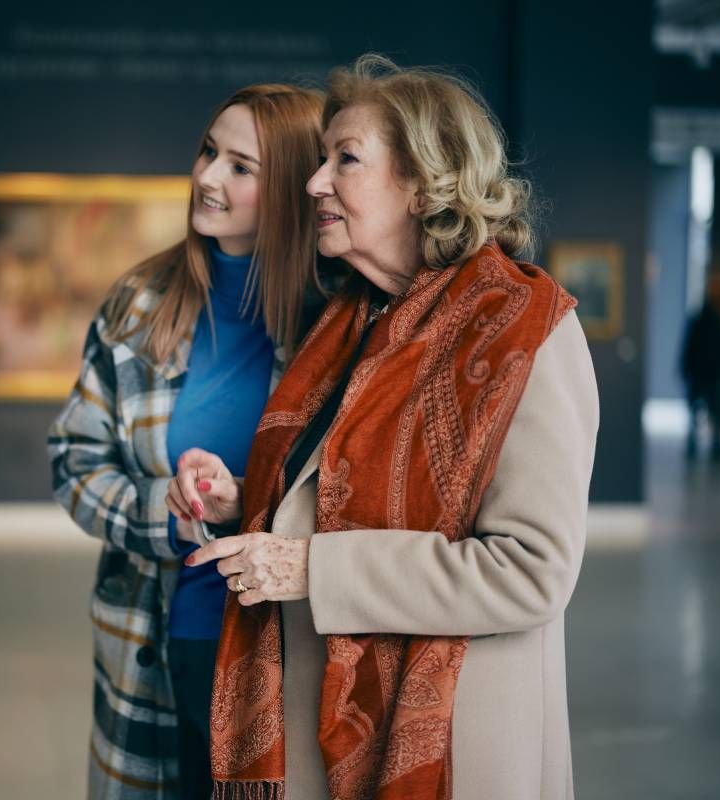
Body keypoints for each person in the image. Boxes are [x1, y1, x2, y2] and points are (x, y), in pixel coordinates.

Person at [177, 55, 599, 800]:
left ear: (424, 181)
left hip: (446, 741)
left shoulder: (526, 330)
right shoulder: (352, 319)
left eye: (345, 160)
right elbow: (353, 494)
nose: (313, 184)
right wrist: (240, 498)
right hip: (322, 723)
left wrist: (312, 568)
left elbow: (532, 573)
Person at [48, 84, 336, 799]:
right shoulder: (139, 302)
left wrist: (247, 506)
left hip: (285, 648)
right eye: (209, 151)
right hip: (157, 639)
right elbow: (74, 459)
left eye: (242, 167)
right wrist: (168, 516)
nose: (207, 177)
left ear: (296, 186)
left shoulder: (337, 323)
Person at [680, 279, 720, 458]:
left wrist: (685, 369)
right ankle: (716, 445)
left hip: (701, 374)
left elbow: (689, 349)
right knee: (715, 412)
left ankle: (696, 443)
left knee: (697, 412)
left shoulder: (700, 323)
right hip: (712, 375)